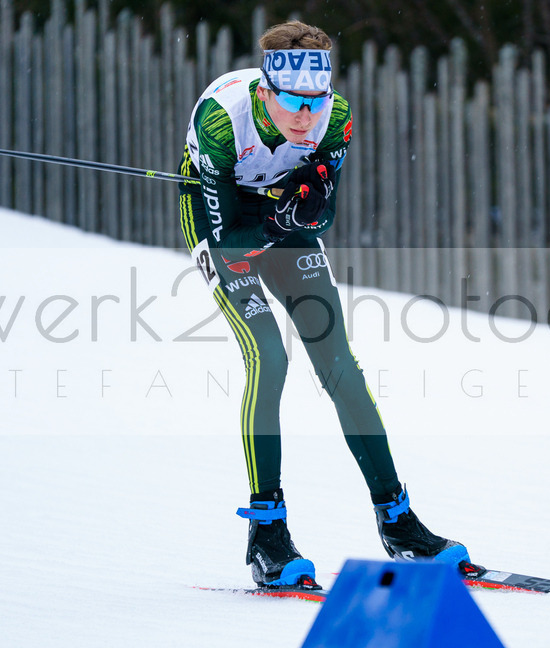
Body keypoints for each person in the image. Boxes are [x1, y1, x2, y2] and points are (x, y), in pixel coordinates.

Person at [177, 20, 469, 589]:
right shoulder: (221, 120)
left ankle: (398, 520)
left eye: (317, 100)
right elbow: (229, 239)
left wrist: (301, 210)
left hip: (273, 216)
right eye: (293, 102)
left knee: (340, 366)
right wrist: (278, 216)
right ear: (266, 93)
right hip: (218, 219)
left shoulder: (336, 118)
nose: (308, 116)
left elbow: (321, 214)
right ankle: (267, 532)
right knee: (270, 357)